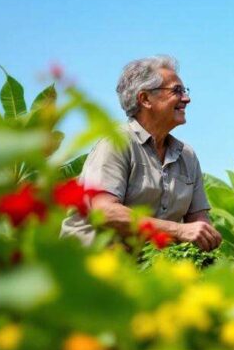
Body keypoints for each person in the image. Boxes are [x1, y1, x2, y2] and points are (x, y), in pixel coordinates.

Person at [60, 55, 221, 251]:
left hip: (143, 264)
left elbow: (198, 220)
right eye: (176, 91)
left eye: (184, 91)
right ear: (145, 99)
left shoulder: (187, 156)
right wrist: (178, 230)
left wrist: (205, 235)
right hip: (89, 261)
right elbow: (105, 211)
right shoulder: (116, 143)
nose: (186, 98)